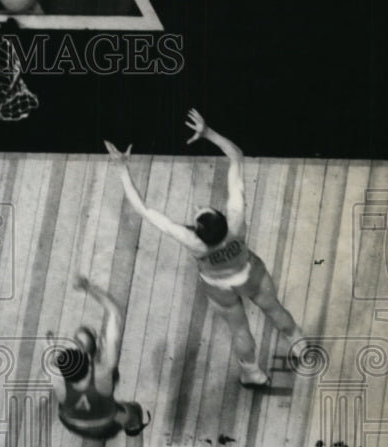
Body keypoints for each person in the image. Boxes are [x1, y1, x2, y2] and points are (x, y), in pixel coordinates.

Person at [104, 108, 304, 387]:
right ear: (220, 216)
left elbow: (144, 209)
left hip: (219, 287)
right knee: (274, 309)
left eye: (198, 211)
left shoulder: (193, 242)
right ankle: (298, 343)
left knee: (240, 330)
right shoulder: (235, 220)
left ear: (197, 229)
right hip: (251, 274)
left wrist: (122, 169)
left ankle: (252, 374)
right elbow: (236, 156)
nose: (198, 206)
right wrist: (209, 133)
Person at [49, 276, 159, 447]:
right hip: (104, 422)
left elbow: (52, 359)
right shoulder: (104, 371)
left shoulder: (54, 375)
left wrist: (51, 345)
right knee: (134, 413)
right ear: (92, 354)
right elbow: (115, 313)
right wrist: (90, 287)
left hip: (71, 422)